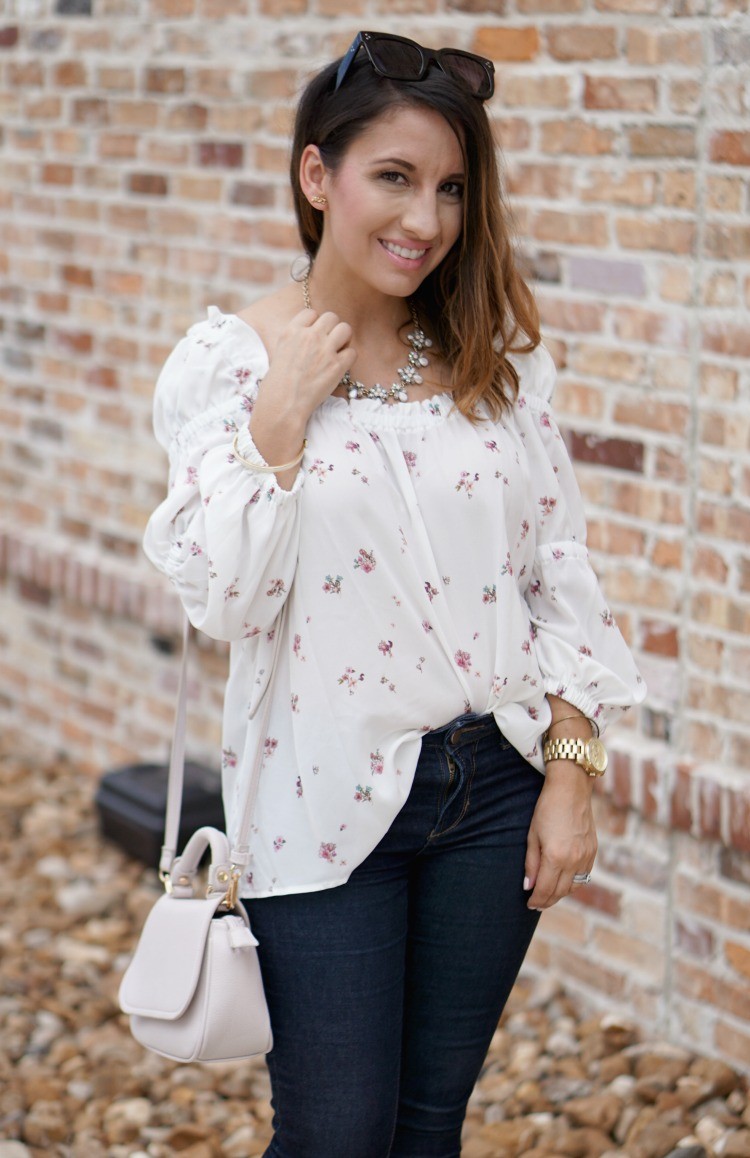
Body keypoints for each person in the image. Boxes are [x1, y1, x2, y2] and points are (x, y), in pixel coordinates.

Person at [143, 30, 645, 1158]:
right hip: (318, 807)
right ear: (318, 177)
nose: (425, 218)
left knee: (426, 1129)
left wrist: (573, 770)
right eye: (394, 178)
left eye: (451, 188)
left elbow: (557, 574)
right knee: (335, 1133)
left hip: (494, 794)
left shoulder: (489, 365)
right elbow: (219, 602)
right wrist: (279, 424)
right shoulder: (230, 363)